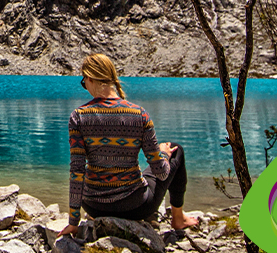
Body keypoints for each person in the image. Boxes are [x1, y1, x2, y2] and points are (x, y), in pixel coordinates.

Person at [58, 53, 198, 236]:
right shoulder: (139, 115)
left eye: (84, 82)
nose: (86, 87)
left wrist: (73, 221)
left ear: (90, 79)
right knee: (176, 149)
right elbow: (162, 173)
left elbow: (77, 171)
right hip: (135, 207)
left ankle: (99, 217)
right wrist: (164, 154)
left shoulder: (79, 116)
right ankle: (178, 219)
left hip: (94, 207)